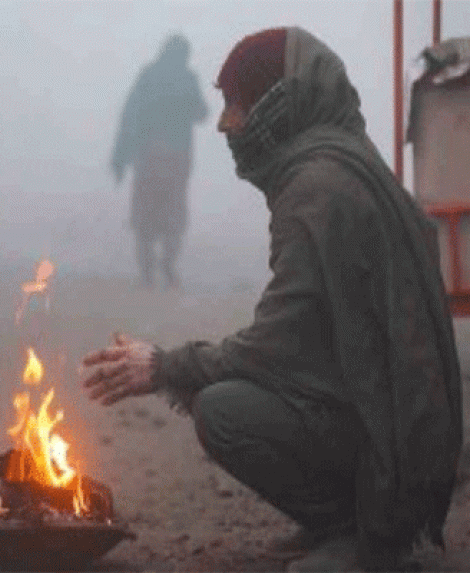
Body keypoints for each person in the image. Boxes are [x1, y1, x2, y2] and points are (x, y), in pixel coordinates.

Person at [80, 27, 463, 572]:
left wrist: (163, 367)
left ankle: (362, 535)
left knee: (222, 411)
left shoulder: (316, 189)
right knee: (157, 220)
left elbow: (279, 345)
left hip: (394, 450)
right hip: (404, 427)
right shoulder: (344, 164)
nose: (224, 124)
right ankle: (345, 518)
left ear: (274, 105)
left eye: (236, 105)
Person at [110, 33, 207, 289]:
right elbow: (202, 113)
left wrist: (120, 158)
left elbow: (130, 115)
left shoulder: (149, 76)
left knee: (145, 217)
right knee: (173, 217)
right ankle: (168, 266)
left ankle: (147, 274)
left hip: (148, 157)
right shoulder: (187, 79)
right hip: (177, 160)